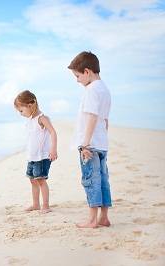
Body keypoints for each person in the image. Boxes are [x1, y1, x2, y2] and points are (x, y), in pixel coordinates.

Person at [68, 51, 112, 228]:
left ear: (87, 72)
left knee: (91, 181)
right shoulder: (105, 89)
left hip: (90, 145)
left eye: (77, 76)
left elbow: (92, 117)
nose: (77, 80)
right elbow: (105, 120)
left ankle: (93, 220)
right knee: (102, 181)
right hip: (101, 144)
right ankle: (104, 217)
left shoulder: (91, 90)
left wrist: (85, 144)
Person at [14, 90, 58, 214]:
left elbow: (53, 132)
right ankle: (35, 204)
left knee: (41, 180)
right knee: (32, 180)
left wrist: (53, 149)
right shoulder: (30, 119)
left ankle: (45, 205)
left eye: (21, 110)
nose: (20, 114)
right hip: (32, 157)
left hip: (42, 157)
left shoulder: (42, 118)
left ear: (30, 105)